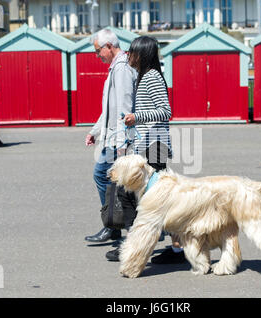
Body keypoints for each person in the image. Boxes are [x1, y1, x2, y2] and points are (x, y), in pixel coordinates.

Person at [105, 36, 186, 264]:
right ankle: (162, 247)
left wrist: (136, 117)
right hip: (147, 145)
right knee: (146, 197)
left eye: (132, 52)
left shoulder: (151, 77)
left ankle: (140, 246)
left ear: (143, 54)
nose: (128, 55)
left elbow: (165, 111)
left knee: (140, 196)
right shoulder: (144, 76)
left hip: (154, 146)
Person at [84, 29, 138, 243]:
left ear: (109, 46)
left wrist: (122, 144)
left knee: (105, 176)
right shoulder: (114, 68)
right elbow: (109, 109)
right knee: (114, 180)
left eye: (98, 51)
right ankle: (116, 224)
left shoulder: (122, 68)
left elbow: (124, 109)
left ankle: (116, 225)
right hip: (111, 138)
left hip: (119, 140)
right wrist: (94, 131)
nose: (97, 55)